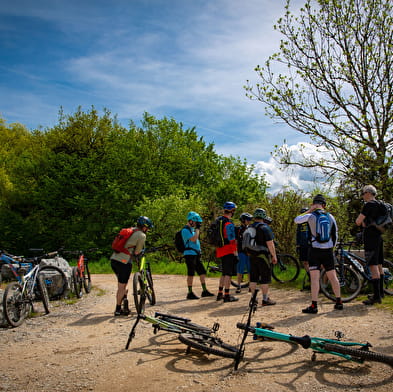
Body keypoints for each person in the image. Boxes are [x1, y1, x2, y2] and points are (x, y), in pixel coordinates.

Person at [294, 194, 343, 314]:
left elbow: (296, 220)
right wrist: (332, 247)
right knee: (333, 277)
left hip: (315, 250)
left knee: (314, 278)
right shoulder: (330, 216)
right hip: (328, 251)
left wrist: (310, 210)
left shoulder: (310, 216)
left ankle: (314, 305)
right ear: (324, 205)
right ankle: (339, 302)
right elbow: (335, 234)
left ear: (313, 204)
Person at [110, 216, 153, 316]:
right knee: (121, 287)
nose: (148, 230)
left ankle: (124, 300)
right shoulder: (141, 235)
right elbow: (137, 252)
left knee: (122, 284)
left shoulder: (130, 230)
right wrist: (139, 252)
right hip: (124, 262)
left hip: (114, 260)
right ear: (144, 227)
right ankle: (117, 309)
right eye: (148, 228)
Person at [355, 185, 385, 305]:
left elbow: (358, 221)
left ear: (368, 193)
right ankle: (381, 292)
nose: (362, 196)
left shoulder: (368, 205)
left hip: (371, 239)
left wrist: (362, 221)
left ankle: (376, 297)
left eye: (363, 193)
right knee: (379, 265)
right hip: (379, 237)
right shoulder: (380, 204)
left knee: (373, 266)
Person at [247, 208, 277, 306]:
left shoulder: (249, 228)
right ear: (264, 216)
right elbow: (270, 244)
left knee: (253, 278)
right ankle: (265, 299)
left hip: (252, 256)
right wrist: (274, 256)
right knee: (265, 278)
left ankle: (253, 299)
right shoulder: (265, 227)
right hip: (263, 256)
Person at [182, 211, 214, 300]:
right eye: (196, 222)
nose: (196, 224)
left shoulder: (192, 230)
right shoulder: (185, 230)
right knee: (191, 274)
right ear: (191, 221)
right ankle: (190, 292)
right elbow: (193, 239)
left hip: (196, 254)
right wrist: (197, 230)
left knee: (202, 272)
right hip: (189, 255)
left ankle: (204, 291)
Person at [215, 201, 239, 302]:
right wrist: (235, 252)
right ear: (231, 211)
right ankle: (227, 295)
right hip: (228, 250)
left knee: (224, 273)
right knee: (228, 273)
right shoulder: (228, 223)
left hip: (220, 249)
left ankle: (220, 293)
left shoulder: (219, 220)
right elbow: (232, 239)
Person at [235, 213, 252, 294]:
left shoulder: (251, 228)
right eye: (248, 220)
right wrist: (235, 252)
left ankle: (250, 286)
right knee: (240, 270)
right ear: (243, 220)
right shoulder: (238, 229)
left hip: (249, 252)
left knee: (250, 269)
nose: (249, 221)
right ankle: (238, 286)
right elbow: (236, 241)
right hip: (241, 252)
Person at [296, 207, 311, 290]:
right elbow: (298, 233)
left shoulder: (311, 221)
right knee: (304, 262)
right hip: (302, 244)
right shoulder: (300, 223)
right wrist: (297, 244)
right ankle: (309, 276)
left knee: (311, 262)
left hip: (310, 245)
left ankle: (314, 279)